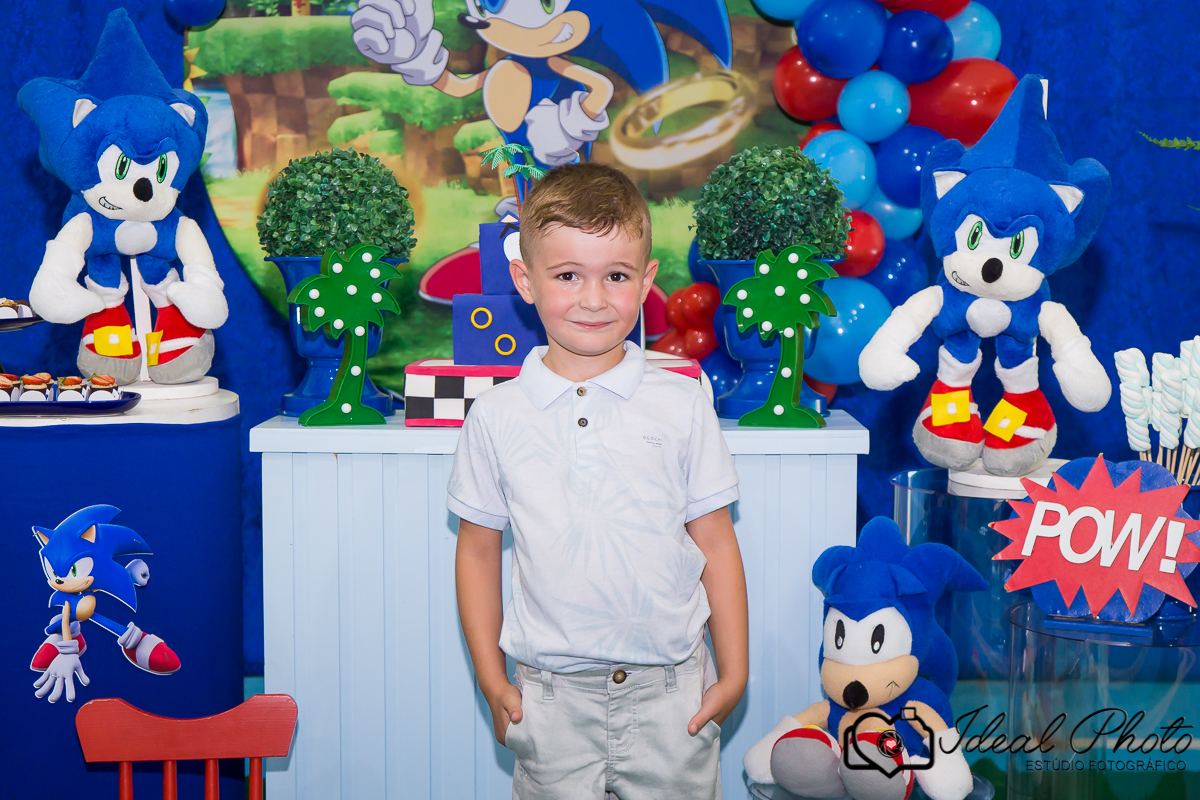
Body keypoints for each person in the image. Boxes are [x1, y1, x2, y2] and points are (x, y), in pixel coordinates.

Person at [449, 162, 748, 800]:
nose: (593, 299)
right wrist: (491, 679)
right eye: (567, 276)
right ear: (524, 280)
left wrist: (735, 672)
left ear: (646, 281)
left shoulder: (682, 402)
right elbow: (476, 551)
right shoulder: (496, 415)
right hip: (549, 699)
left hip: (672, 694)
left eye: (615, 275)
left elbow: (716, 542)